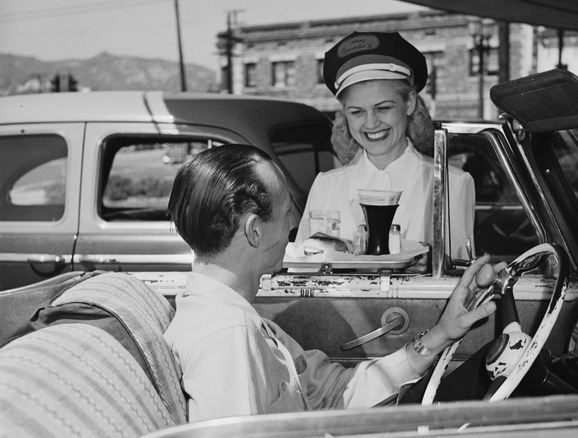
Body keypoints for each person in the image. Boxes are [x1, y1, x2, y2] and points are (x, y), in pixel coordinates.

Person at [164, 143, 501, 422]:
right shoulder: (226, 336)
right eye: (286, 211)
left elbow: (332, 393)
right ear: (255, 230)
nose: (292, 225)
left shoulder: (236, 318)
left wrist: (441, 334)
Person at [294, 31, 476, 260]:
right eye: (357, 112)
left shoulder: (452, 184)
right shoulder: (326, 187)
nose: (371, 123)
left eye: (383, 108)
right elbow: (300, 268)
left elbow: (460, 272)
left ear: (409, 103)